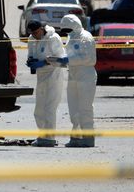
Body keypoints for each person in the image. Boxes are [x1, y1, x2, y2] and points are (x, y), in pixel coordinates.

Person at [25, 20, 67, 147]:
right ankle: (42, 135)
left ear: (42, 29)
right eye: (33, 33)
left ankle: (49, 137)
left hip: (54, 74)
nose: (35, 35)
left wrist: (45, 62)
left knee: (49, 108)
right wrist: (31, 62)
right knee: (39, 109)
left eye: (37, 32)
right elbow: (31, 55)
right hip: (41, 76)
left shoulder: (53, 38)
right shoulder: (31, 39)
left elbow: (62, 59)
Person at [59, 14, 98, 148]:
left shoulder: (85, 37)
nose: (66, 33)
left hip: (85, 75)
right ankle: (76, 136)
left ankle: (88, 138)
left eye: (68, 29)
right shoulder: (71, 37)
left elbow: (88, 58)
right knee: (74, 108)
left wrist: (68, 60)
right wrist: (59, 59)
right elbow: (68, 54)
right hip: (73, 74)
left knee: (85, 108)